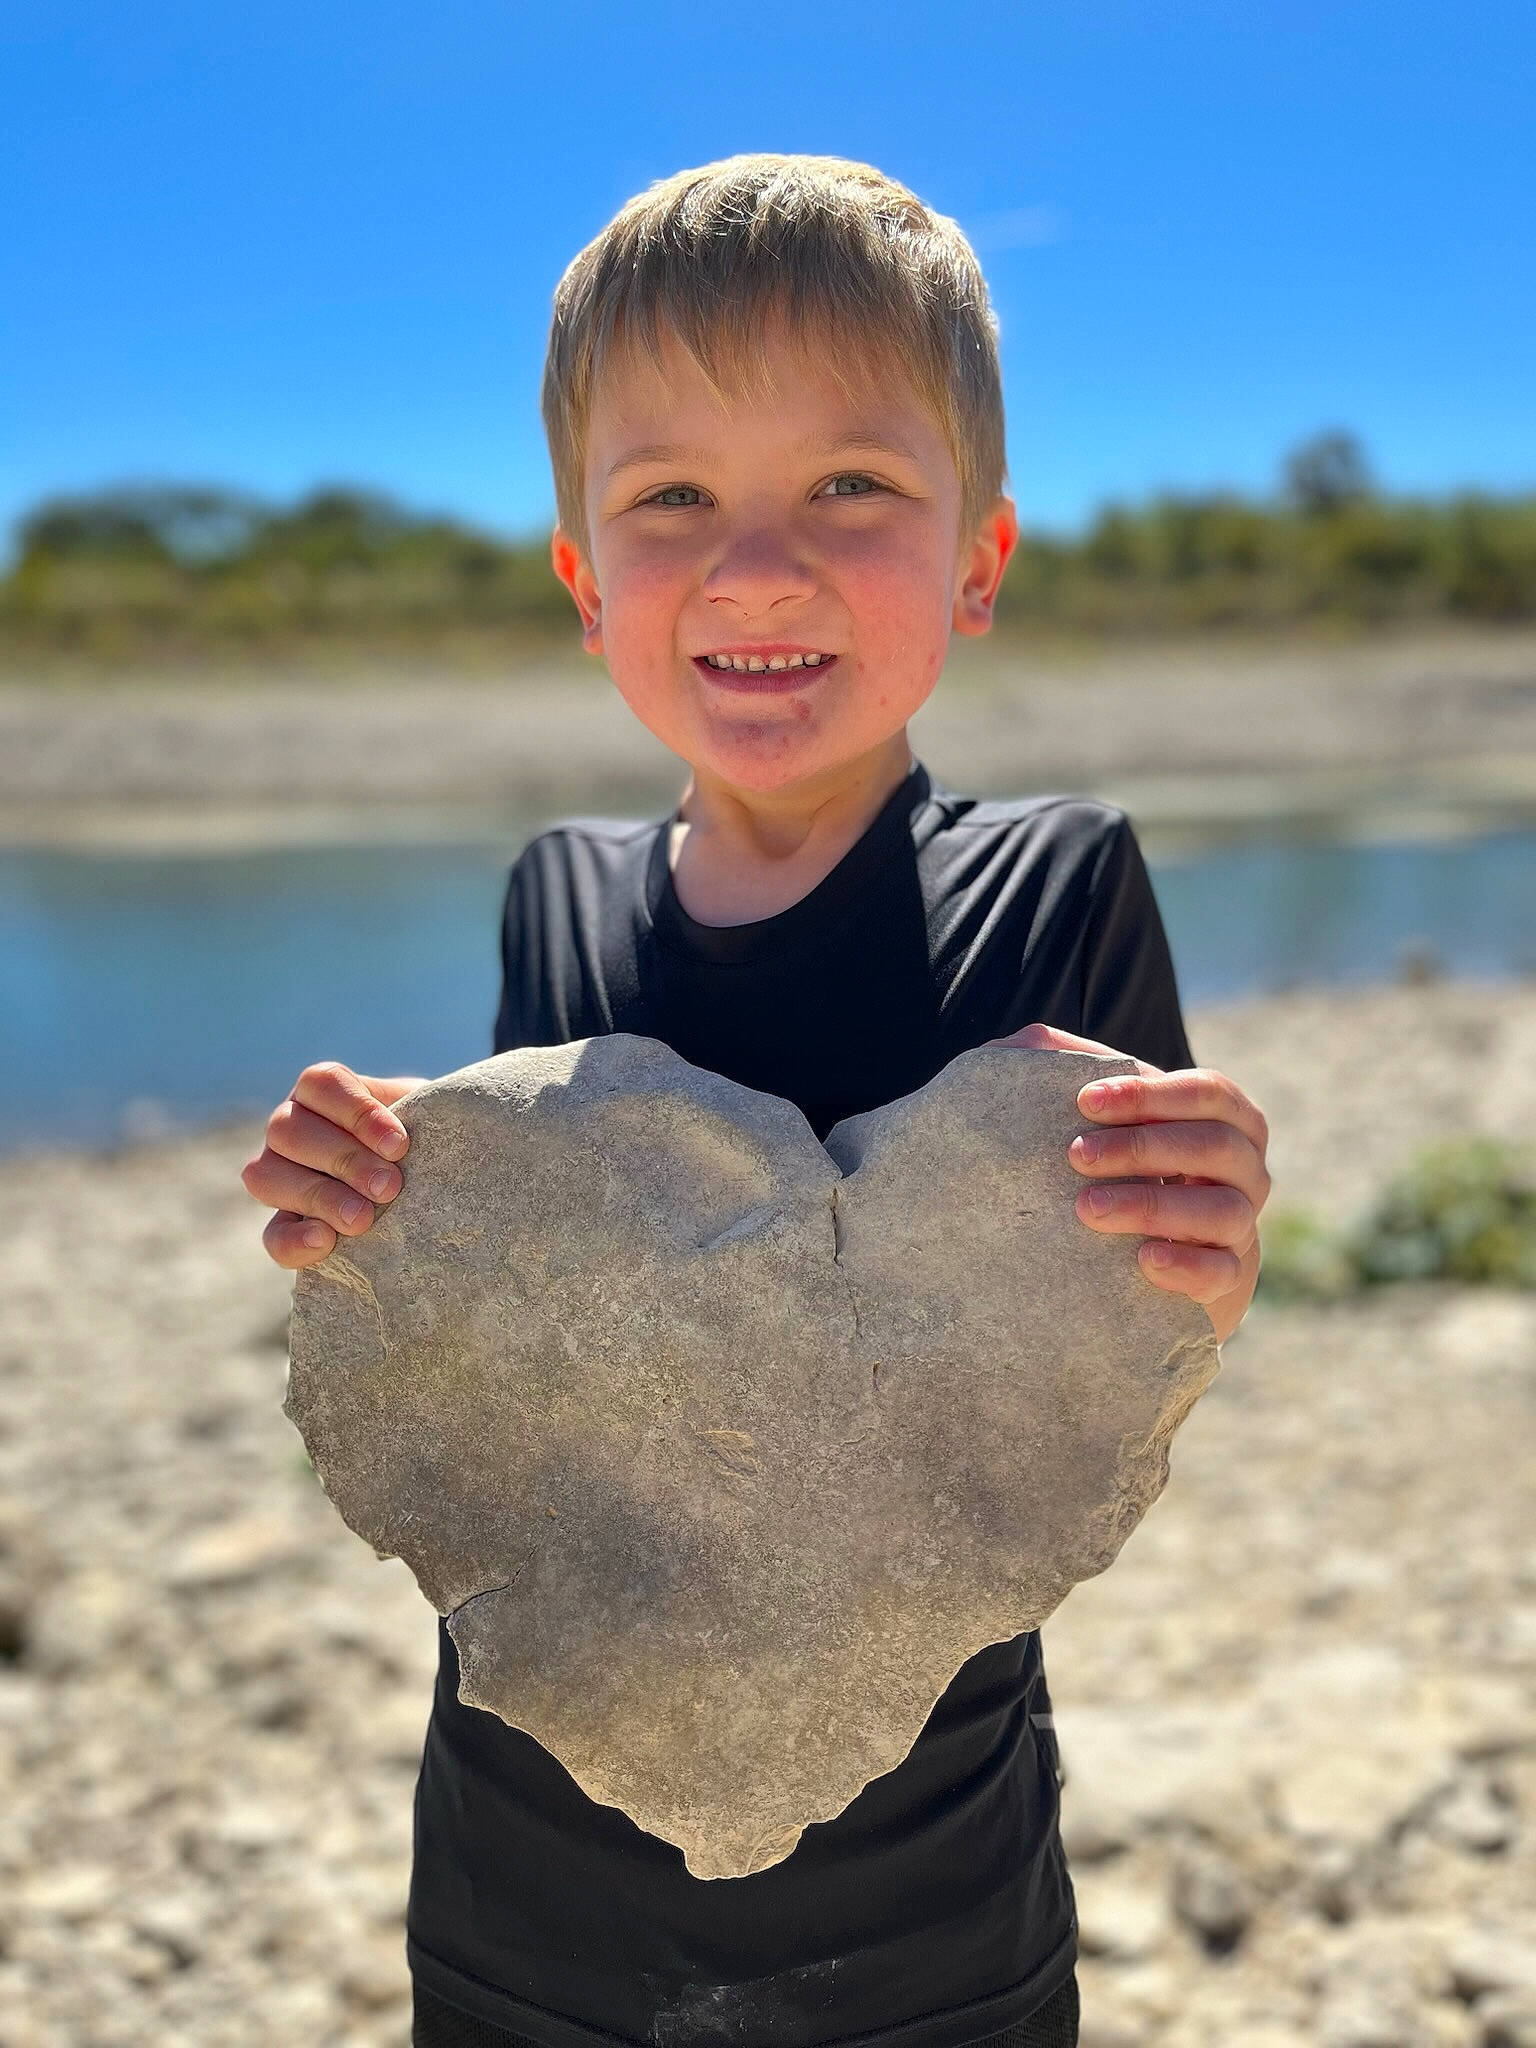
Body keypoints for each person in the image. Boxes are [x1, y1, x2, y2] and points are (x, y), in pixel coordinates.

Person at [241, 154, 1271, 2048]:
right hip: (527, 1866)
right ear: (584, 582)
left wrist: (1210, 1245)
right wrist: (371, 1205)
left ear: (980, 559)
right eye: (672, 499)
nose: (758, 566)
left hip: (931, 1893)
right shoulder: (555, 890)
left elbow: (1122, 1357)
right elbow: (522, 1326)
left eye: (851, 485)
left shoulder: (1061, 883)